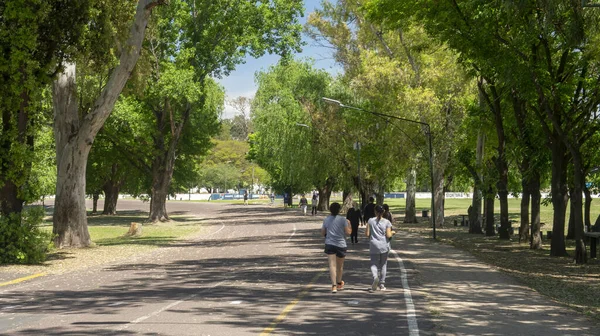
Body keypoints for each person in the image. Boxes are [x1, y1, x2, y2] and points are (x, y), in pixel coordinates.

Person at [321, 202, 352, 293]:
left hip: (330, 243)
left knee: (332, 265)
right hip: (341, 244)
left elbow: (323, 233)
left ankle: (334, 285)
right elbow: (348, 232)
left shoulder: (326, 220)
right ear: (339, 210)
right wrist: (349, 224)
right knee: (340, 266)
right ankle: (339, 282)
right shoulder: (343, 220)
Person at [366, 205, 395, 291]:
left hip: (374, 244)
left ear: (375, 212)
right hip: (384, 245)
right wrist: (393, 232)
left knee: (374, 263)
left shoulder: (370, 221)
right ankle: (382, 284)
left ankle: (375, 277)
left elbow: (367, 234)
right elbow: (388, 235)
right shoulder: (387, 222)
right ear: (383, 212)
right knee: (383, 264)